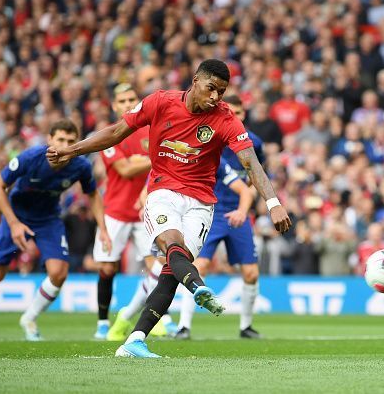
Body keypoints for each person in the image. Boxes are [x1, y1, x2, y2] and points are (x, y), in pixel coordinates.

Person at [47, 59, 291, 358]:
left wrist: (273, 202)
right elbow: (116, 131)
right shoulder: (160, 102)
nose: (216, 97)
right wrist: (71, 150)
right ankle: (198, 286)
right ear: (195, 80)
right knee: (171, 243)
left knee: (172, 269)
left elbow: (250, 162)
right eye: (211, 88)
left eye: (222, 92)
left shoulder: (225, 118)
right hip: (163, 191)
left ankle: (134, 340)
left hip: (202, 202)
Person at [0, 119, 111, 341]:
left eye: (70, 141)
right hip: (16, 216)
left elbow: (93, 194)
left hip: (48, 219)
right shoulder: (31, 157)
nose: (64, 145)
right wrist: (13, 223)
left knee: (59, 273)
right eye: (60, 139)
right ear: (50, 140)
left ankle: (29, 317)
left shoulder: (81, 166)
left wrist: (103, 229)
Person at [174, 95, 264, 340]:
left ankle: (246, 327)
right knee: (198, 266)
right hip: (210, 210)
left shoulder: (254, 143)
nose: (235, 117)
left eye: (239, 113)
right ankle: (184, 326)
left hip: (239, 212)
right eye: (231, 112)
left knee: (251, 273)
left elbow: (257, 176)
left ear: (244, 115)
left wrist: (245, 206)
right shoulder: (211, 137)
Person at [94, 83, 175, 340]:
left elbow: (148, 163)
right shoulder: (109, 135)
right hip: (116, 212)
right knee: (107, 269)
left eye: (132, 98)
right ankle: (103, 323)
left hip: (146, 210)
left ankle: (161, 318)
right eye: (122, 100)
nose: (128, 103)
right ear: (114, 106)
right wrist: (152, 159)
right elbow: (125, 170)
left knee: (158, 265)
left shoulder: (151, 131)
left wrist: (139, 161)